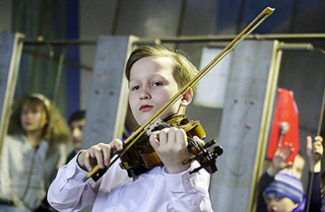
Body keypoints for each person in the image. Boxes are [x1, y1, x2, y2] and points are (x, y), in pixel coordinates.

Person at [47, 46, 213, 211]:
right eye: (135, 87)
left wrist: (178, 170)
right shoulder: (122, 155)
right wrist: (81, 165)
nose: (143, 94)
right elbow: (60, 202)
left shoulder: (188, 155)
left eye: (156, 83)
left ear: (185, 96)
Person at [0, 93, 71, 212]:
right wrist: (11, 202)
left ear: (47, 118)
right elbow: (2, 176)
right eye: (25, 112)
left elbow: (57, 181)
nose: (28, 117)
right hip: (8, 206)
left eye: (34, 112)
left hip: (41, 207)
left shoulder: (57, 148)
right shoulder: (8, 142)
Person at [256, 136, 323, 212]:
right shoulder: (271, 188)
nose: (272, 203)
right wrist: (273, 169)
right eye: (268, 199)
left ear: (295, 203)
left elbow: (313, 204)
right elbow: (258, 193)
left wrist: (314, 166)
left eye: (279, 197)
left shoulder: (303, 204)